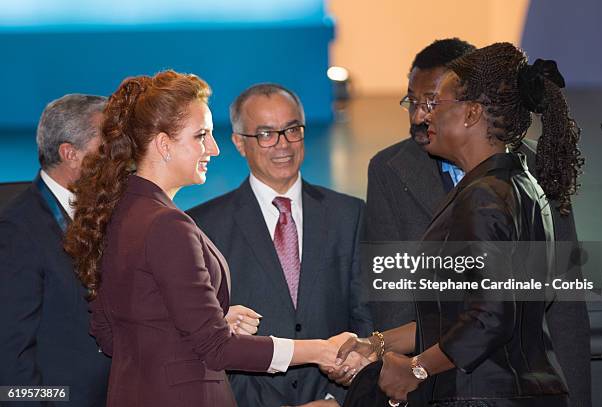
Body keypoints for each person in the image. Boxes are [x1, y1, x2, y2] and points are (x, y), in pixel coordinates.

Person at [63, 71, 352, 407]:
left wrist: (210, 322)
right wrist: (319, 350)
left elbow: (114, 335)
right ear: (163, 144)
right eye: (201, 135)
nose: (213, 149)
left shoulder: (117, 211)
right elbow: (217, 349)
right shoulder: (167, 225)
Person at [336, 42, 584, 406]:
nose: (425, 116)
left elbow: (491, 317)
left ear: (470, 114)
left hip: (484, 394)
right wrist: (379, 342)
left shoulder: (484, 196)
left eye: (437, 105)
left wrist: (417, 368)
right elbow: (471, 314)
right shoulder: (519, 183)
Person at [187, 83, 373, 407]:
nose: (282, 145)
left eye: (291, 130)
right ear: (239, 143)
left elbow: (367, 319)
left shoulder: (350, 214)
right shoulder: (202, 227)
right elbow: (202, 340)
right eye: (265, 134)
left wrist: (339, 399)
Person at [0, 94, 111, 406]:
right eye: (107, 148)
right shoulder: (16, 232)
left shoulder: (105, 213)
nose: (118, 158)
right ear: (70, 154)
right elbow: (9, 357)